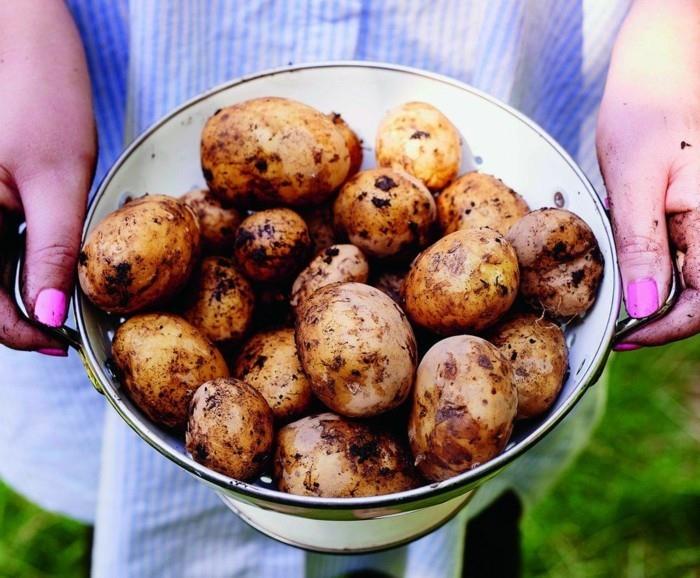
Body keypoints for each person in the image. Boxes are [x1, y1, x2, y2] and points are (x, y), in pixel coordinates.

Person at [0, 1, 698, 576]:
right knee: (153, 514)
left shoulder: (454, 263)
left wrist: (680, 43)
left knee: (467, 531)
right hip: (73, 70)